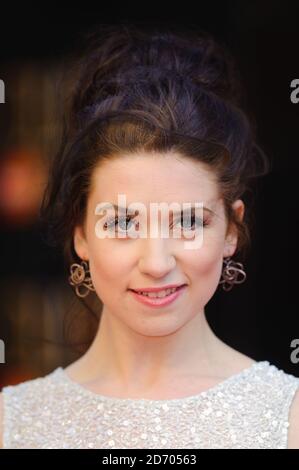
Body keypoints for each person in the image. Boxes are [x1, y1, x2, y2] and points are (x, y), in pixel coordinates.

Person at [1, 24, 299, 449]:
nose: (156, 263)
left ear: (231, 230)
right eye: (123, 224)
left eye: (189, 222)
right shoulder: (12, 424)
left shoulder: (286, 419)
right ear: (80, 232)